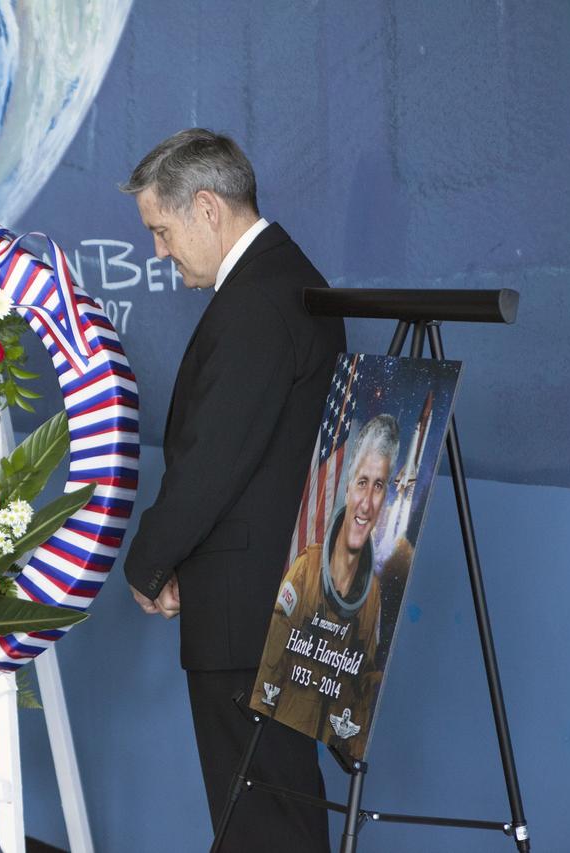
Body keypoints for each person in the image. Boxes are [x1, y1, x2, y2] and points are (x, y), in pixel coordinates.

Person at [120, 128, 346, 851]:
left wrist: (148, 562)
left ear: (208, 207)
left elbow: (214, 458)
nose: (159, 251)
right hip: (264, 600)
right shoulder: (281, 281)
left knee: (262, 818)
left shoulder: (258, 301)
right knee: (271, 806)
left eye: (161, 229)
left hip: (247, 614)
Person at [254, 414, 400, 757]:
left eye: (378, 486)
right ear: (347, 486)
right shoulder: (306, 572)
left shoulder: (371, 596)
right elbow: (267, 681)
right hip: (278, 745)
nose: (366, 502)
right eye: (362, 482)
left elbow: (362, 685)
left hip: (321, 745)